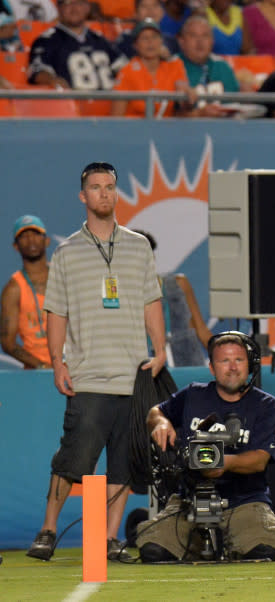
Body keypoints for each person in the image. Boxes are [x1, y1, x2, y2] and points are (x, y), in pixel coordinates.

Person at [26, 162, 166, 563]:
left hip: (134, 374)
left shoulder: (139, 245)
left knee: (123, 465)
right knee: (73, 460)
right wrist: (58, 362)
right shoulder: (67, 251)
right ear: (82, 196)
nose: (104, 193)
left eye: (110, 187)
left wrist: (160, 349)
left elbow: (150, 300)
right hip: (87, 375)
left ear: (116, 193)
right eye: (95, 187)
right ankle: (48, 529)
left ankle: (106, 540)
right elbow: (56, 312)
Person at [137, 332, 275, 562]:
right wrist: (161, 424)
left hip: (244, 501)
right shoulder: (193, 395)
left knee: (262, 550)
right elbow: (155, 413)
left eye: (239, 360)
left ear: (250, 365)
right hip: (190, 498)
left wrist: (224, 463)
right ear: (212, 368)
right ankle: (197, 543)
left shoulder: (266, 406)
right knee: (153, 550)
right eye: (224, 361)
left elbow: (259, 459)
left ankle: (231, 540)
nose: (232, 367)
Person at [134, 229, 213, 367]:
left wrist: (226, 356)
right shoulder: (119, 295)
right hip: (145, 369)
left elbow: (201, 330)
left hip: (185, 367)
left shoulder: (178, 285)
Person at [28, 0, 128, 91]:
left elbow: (124, 68)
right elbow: (37, 71)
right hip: (72, 103)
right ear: (59, 9)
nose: (74, 7)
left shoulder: (99, 40)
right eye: (67, 3)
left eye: (79, 3)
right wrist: (53, 80)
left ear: (87, 8)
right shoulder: (46, 41)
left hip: (110, 102)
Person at [111, 19, 192, 118]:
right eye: (144, 38)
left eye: (154, 37)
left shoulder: (174, 65)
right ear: (136, 45)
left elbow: (183, 95)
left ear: (161, 41)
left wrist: (188, 94)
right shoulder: (127, 72)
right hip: (134, 130)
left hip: (166, 130)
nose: (150, 42)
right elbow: (116, 117)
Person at [1, 214, 51, 369]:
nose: (31, 240)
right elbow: (7, 343)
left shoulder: (64, 277)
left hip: (74, 371)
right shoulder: (14, 289)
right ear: (15, 246)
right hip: (37, 376)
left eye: (36, 234)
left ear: (46, 240)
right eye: (23, 236)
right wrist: (42, 367)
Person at [176, 14, 239, 115]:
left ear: (212, 41)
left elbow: (233, 107)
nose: (200, 42)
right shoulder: (171, 66)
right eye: (193, 35)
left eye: (205, 36)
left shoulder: (223, 66)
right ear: (181, 41)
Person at [114, 0, 180, 60]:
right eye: (144, 6)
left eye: (155, 5)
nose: (150, 10)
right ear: (135, 13)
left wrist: (168, 59)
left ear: (162, 12)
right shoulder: (125, 40)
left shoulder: (172, 42)